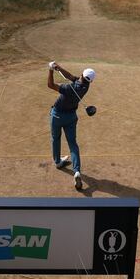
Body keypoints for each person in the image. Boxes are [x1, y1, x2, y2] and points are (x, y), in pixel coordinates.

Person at [47, 62, 96, 191]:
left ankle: (57, 162)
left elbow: (50, 85)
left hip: (57, 116)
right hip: (71, 118)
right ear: (90, 81)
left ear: (82, 74)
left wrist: (51, 70)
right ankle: (77, 172)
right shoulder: (85, 87)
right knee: (73, 144)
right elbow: (71, 77)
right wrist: (59, 68)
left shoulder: (69, 88)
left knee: (55, 138)